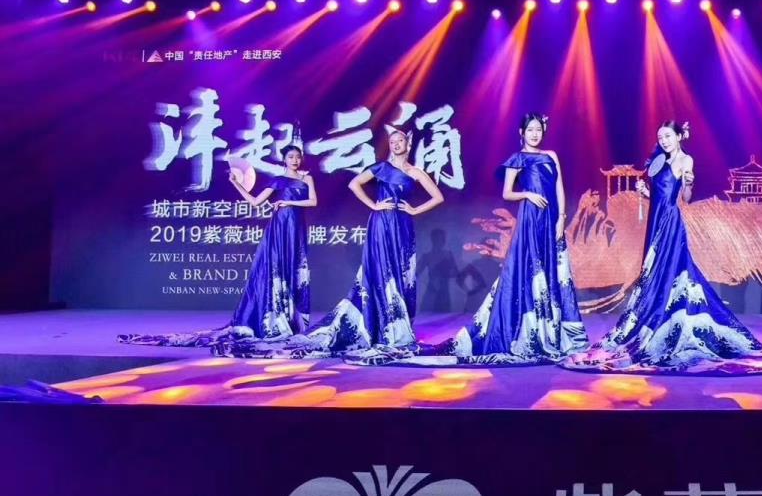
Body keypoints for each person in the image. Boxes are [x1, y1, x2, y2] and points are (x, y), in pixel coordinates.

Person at [566, 120, 762, 374]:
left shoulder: (685, 160)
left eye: (668, 136)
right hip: (655, 220)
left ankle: (675, 317)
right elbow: (657, 195)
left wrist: (689, 183)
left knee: (674, 268)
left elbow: (685, 198)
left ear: (679, 137)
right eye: (660, 137)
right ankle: (656, 313)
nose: (664, 141)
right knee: (653, 271)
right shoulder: (659, 162)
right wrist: (644, 191)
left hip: (670, 221)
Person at [216, 127, 444, 363]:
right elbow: (354, 184)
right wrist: (374, 205)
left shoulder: (416, 172)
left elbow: (438, 197)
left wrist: (415, 209)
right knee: (381, 272)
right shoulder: (380, 168)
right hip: (380, 224)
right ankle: (380, 324)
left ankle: (398, 323)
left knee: (403, 274)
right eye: (392, 141)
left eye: (400, 141)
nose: (396, 144)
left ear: (407, 144)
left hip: (403, 226)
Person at [119, 145, 314, 347]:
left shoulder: (307, 178)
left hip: (296, 229)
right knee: (276, 269)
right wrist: (236, 184)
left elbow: (312, 201)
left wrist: (289, 203)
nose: (295, 160)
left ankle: (294, 320)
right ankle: (276, 319)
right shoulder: (277, 181)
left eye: (297, 157)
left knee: (295, 268)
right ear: (284, 159)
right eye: (291, 157)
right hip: (279, 227)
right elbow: (255, 202)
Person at [433, 113, 587, 363]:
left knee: (554, 270)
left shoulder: (551, 156)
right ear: (521, 133)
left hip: (551, 219)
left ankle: (552, 329)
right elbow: (507, 193)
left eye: (538, 129)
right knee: (530, 268)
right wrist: (527, 194)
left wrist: (561, 218)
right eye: (530, 130)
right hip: (530, 219)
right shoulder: (517, 159)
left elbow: (559, 187)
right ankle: (529, 326)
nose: (535, 134)